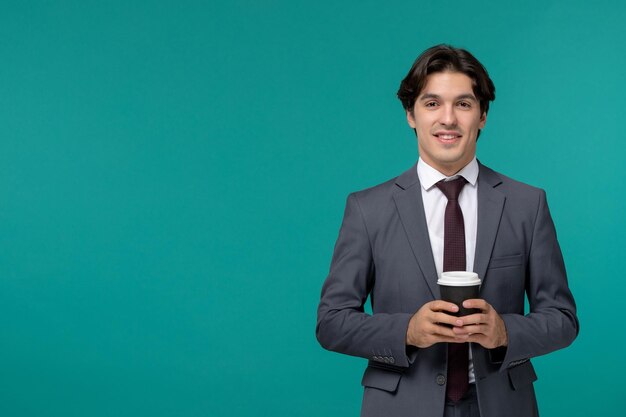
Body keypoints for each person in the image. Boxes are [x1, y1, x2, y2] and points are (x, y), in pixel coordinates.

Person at [316, 44, 578, 417]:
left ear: (483, 115)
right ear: (411, 114)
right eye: (432, 103)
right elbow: (331, 322)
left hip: (503, 405)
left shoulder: (527, 204)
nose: (448, 119)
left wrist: (504, 332)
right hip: (401, 405)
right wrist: (407, 331)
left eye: (464, 104)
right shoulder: (367, 209)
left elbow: (562, 319)